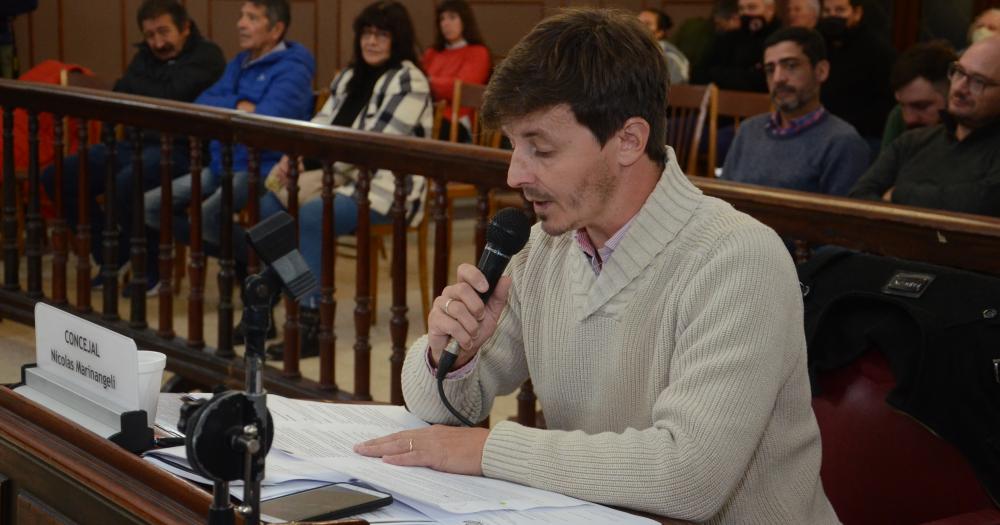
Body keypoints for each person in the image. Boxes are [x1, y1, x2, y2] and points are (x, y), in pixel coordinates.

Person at [354, 9, 838, 523]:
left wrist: (486, 451)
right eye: (513, 147)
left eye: (540, 149)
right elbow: (436, 413)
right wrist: (448, 357)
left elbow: (689, 477)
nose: (516, 173)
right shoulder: (542, 250)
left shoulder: (739, 260)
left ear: (628, 140)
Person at [253, 0, 432, 358]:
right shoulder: (351, 75)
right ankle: (276, 295)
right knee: (270, 200)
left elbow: (372, 146)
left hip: (386, 187)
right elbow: (321, 122)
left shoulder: (409, 79)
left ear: (397, 40)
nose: (372, 42)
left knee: (313, 214)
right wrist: (296, 157)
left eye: (382, 35)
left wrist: (314, 169)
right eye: (367, 33)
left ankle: (310, 321)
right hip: (338, 176)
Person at [39, 0, 225, 290]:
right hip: (135, 143)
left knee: (128, 181)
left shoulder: (208, 55)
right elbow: (121, 94)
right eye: (150, 35)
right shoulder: (143, 58)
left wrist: (145, 87)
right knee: (59, 175)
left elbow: (170, 94)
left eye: (164, 32)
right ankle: (112, 252)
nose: (158, 43)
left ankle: (150, 267)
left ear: (185, 28)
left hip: (183, 149)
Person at [143, 0, 314, 291]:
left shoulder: (294, 68)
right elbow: (203, 101)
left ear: (276, 30)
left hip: (263, 166)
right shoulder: (241, 62)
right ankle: (259, 266)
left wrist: (245, 109)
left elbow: (267, 117)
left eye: (251, 18)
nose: (240, 24)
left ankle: (266, 273)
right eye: (241, 16)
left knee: (208, 215)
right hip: (223, 161)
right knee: (152, 205)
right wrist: (238, 104)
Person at [849, 36, 1000, 216]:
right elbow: (858, 199)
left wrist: (899, 194)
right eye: (959, 72)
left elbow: (984, 203)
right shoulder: (912, 141)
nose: (960, 88)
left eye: (978, 82)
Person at [722, 27, 869, 195]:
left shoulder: (843, 143)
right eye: (770, 70)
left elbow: (841, 220)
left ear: (821, 71)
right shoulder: (748, 130)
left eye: (791, 66)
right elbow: (722, 203)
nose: (778, 78)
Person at [817, 0, 895, 145]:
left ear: (856, 13)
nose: (832, 16)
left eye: (840, 10)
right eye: (827, 11)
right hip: (821, 132)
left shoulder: (877, 51)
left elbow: (885, 103)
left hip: (862, 136)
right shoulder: (819, 45)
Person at [421, 0, 490, 143]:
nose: (445, 23)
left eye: (452, 17)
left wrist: (428, 82)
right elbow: (417, 82)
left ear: (465, 21)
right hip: (426, 111)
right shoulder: (432, 52)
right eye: (442, 19)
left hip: (455, 120)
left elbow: (461, 88)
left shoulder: (478, 52)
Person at [880, 41, 956, 150]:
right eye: (902, 105)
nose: (908, 118)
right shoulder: (897, 116)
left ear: (952, 97)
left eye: (921, 106)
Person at [692, 0, 782, 92]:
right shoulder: (728, 38)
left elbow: (764, 81)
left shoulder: (781, 40)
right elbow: (699, 73)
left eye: (752, 8)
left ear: (770, 9)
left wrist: (719, 75)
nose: (745, 13)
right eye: (741, 9)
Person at [638, 8, 690, 85]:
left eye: (647, 24)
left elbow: (674, 90)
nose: (639, 27)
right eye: (637, 22)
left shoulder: (669, 57)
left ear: (660, 32)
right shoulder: (631, 50)